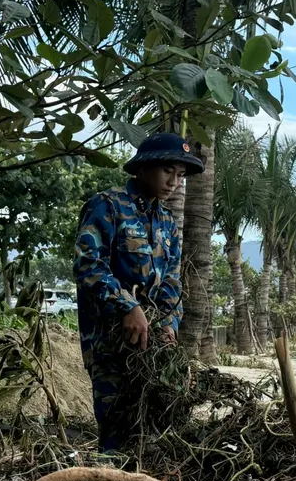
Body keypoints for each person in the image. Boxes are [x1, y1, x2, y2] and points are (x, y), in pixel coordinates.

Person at [73, 132, 203, 450]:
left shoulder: (168, 223)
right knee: (116, 433)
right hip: (110, 344)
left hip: (153, 347)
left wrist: (169, 326)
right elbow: (88, 265)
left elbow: (172, 282)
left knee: (157, 431)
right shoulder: (108, 206)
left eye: (181, 175)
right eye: (168, 171)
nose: (174, 182)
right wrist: (127, 306)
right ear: (143, 168)